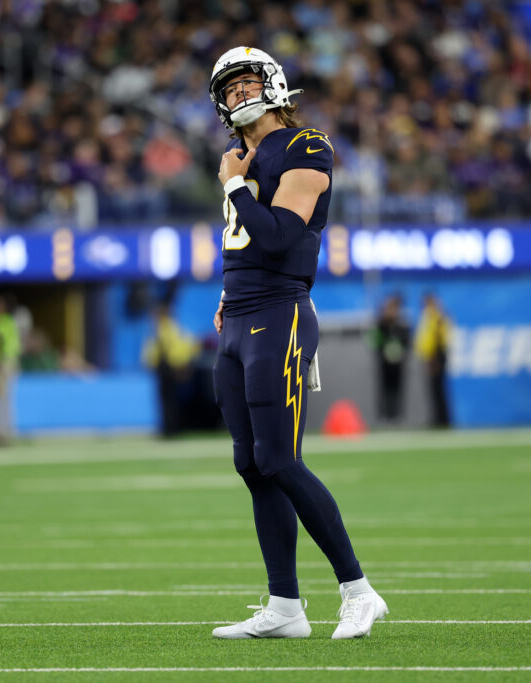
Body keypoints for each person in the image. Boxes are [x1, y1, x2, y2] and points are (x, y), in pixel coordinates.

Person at [207, 46, 387, 641]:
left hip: (279, 316)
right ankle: (285, 606)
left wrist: (235, 187)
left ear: (273, 83)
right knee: (252, 466)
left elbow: (281, 236)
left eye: (245, 83)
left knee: (281, 459)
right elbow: (246, 243)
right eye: (227, 89)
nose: (237, 95)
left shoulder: (307, 145)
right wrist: (229, 294)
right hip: (238, 317)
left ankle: (359, 591)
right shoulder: (241, 156)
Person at [141, 302, 199, 438]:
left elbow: (164, 348)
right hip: (167, 367)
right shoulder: (170, 327)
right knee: (168, 400)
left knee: (168, 400)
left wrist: (176, 364)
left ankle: (170, 430)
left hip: (168, 368)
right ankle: (169, 429)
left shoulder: (165, 327)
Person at [371, 294, 411, 422]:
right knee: (384, 388)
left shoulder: (401, 324)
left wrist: (399, 351)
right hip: (385, 363)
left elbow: (406, 342)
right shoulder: (382, 324)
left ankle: (396, 415)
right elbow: (375, 341)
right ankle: (384, 415)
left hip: (398, 363)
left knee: (397, 388)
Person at [414, 292, 452, 427]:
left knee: (438, 390)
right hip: (432, 356)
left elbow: (437, 338)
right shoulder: (430, 316)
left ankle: (442, 420)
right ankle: (439, 418)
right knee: (434, 390)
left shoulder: (436, 316)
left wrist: (434, 359)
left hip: (436, 355)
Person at [0, 295, 21, 443]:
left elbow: (1, 342)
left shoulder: (2, 322)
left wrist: (0, 362)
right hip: (6, 363)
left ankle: (3, 432)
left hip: (4, 364)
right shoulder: (8, 321)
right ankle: (0, 431)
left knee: (2, 400)